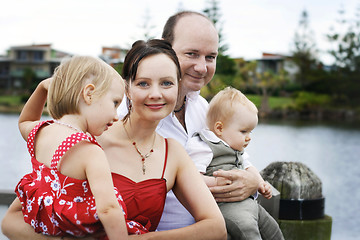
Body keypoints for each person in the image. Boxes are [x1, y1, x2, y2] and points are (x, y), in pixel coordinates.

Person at [1, 39, 227, 240]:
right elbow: (11, 221)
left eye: (167, 83)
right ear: (126, 88)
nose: (156, 93)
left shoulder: (173, 153)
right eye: (143, 83)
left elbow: (215, 228)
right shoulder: (86, 141)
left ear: (178, 87)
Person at [153, 11, 260, 231]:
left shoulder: (205, 109)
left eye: (210, 57)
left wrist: (253, 183)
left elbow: (236, 157)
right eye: (192, 53)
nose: (202, 67)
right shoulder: (133, 111)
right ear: (165, 49)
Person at [13, 55, 136, 239]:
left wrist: (42, 89)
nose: (117, 115)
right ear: (89, 94)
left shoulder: (41, 132)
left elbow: (26, 120)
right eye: (115, 103)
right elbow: (109, 209)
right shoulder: (90, 152)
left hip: (48, 232)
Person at [187, 87, 284, 239]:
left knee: (273, 230)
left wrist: (260, 183)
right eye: (244, 131)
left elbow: (248, 167)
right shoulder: (204, 146)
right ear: (220, 128)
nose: (248, 137)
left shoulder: (236, 149)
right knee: (247, 230)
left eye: (250, 132)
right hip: (225, 207)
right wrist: (216, 181)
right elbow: (192, 179)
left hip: (249, 205)